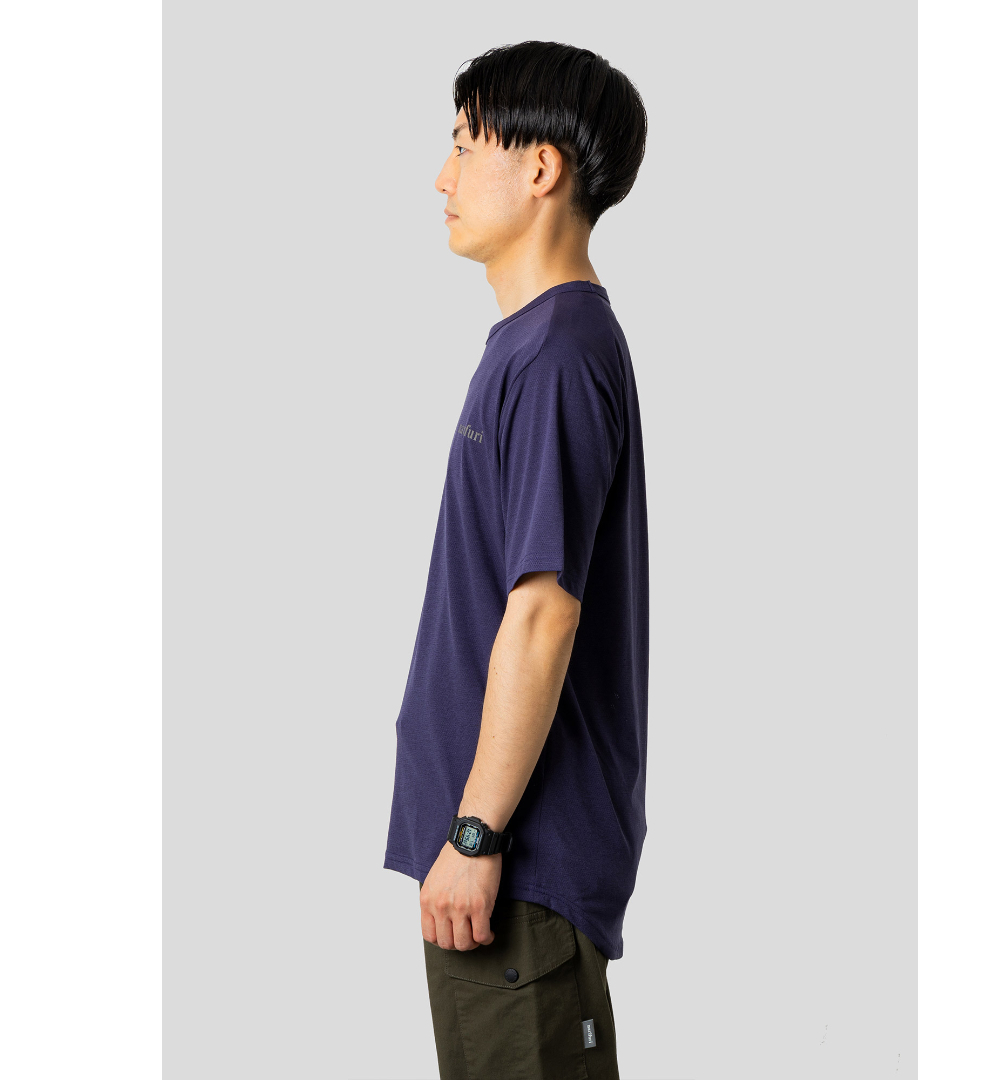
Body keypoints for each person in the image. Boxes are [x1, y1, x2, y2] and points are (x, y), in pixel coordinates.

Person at [383, 40, 649, 1079]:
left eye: (463, 146)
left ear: (540, 168)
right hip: (496, 867)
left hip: (516, 869)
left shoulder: (558, 356)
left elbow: (544, 612)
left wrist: (478, 835)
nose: (442, 177)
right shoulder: (533, 347)